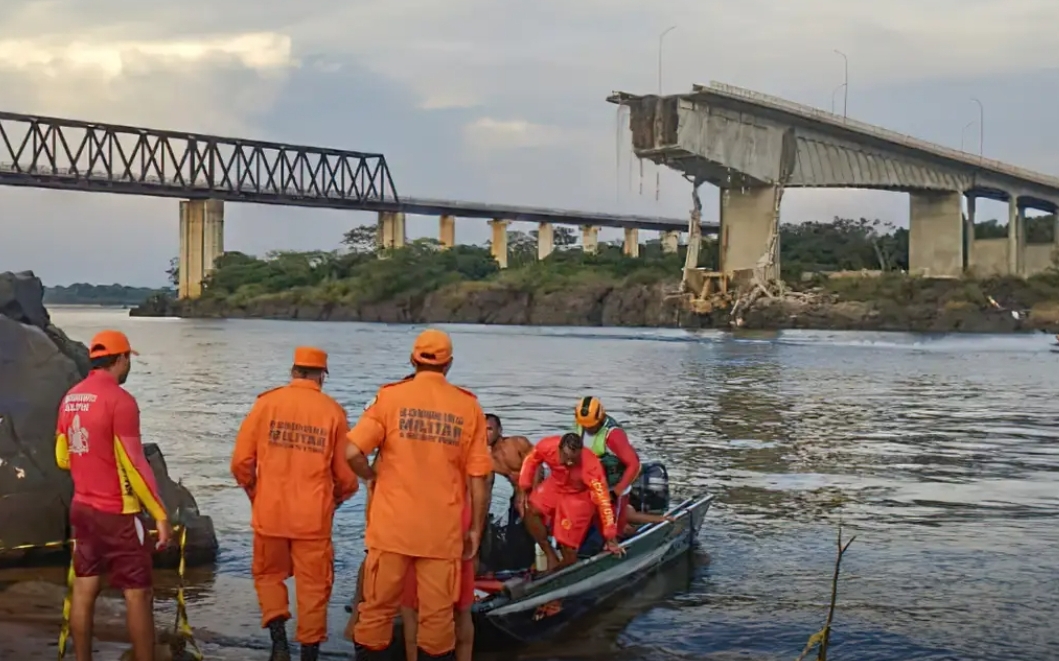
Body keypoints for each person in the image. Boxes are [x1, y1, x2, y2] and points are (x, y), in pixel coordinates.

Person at [345, 329, 492, 661]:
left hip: (391, 529)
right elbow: (479, 477)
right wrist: (475, 530)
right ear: (449, 364)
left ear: (413, 359)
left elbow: (352, 451)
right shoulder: (468, 407)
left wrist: (370, 477)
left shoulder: (390, 398)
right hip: (441, 534)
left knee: (376, 612)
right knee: (437, 621)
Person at [230, 347, 359, 661]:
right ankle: (309, 655)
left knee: (268, 576)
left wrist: (255, 494)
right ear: (321, 376)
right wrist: (337, 499)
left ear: (293, 371)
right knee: (314, 588)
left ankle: (279, 644)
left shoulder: (266, 404)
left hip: (270, 513)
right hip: (313, 519)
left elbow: (240, 463)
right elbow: (346, 475)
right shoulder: (333, 412)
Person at [54, 330, 173, 661]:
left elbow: (62, 457)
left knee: (84, 588)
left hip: (82, 508)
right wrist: (161, 515)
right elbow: (135, 465)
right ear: (121, 359)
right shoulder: (120, 401)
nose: (129, 364)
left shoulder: (71, 397)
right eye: (128, 358)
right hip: (118, 512)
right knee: (138, 594)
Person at [518, 433, 623, 571]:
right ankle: (550, 554)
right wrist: (524, 486)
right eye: (566, 457)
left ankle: (561, 570)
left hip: (578, 494)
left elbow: (603, 501)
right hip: (556, 483)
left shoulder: (591, 466)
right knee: (530, 507)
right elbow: (531, 459)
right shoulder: (547, 446)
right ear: (559, 449)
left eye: (573, 459)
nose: (569, 462)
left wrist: (610, 536)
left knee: (567, 545)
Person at [572, 396, 641, 535]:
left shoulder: (613, 435)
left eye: (591, 426)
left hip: (614, 485)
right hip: (592, 483)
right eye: (585, 425)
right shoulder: (580, 425)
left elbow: (634, 465)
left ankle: (624, 529)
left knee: (614, 529)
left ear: (600, 417)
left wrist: (617, 492)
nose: (587, 428)